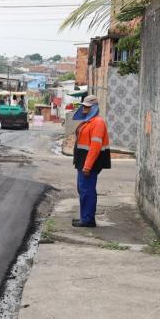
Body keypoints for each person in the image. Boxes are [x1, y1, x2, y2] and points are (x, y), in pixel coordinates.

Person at [72, 95, 110, 227]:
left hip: (90, 163)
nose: (84, 109)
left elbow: (95, 147)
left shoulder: (98, 122)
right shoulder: (88, 121)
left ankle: (88, 220)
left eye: (87, 107)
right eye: (83, 106)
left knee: (87, 191)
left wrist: (87, 166)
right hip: (82, 161)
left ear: (94, 108)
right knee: (83, 190)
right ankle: (85, 217)